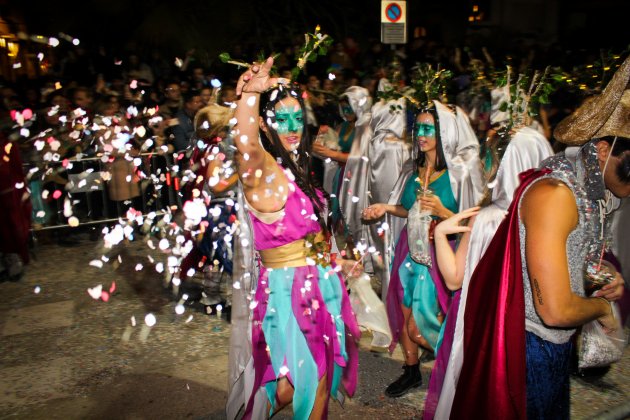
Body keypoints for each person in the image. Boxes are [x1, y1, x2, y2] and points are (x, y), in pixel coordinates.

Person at [449, 55, 629, 419]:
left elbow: (569, 257)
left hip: (550, 349)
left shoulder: (580, 190)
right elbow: (556, 310)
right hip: (531, 351)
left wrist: (602, 277)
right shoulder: (556, 195)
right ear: (603, 150)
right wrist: (603, 308)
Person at [226, 57, 360, 419]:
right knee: (314, 378)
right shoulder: (264, 172)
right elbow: (246, 144)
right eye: (281, 120)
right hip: (289, 297)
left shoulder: (295, 168)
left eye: (297, 118)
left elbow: (306, 237)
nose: (292, 128)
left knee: (287, 386)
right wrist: (251, 95)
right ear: (265, 126)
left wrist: (336, 262)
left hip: (316, 285)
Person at [430, 124, 554, 419]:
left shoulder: (486, 219)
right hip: (539, 339)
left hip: (488, 330)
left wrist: (439, 234)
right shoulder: (549, 218)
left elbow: (454, 278)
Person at [362, 100, 483, 398]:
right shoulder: (414, 168)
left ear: (445, 133)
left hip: (439, 256)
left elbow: (474, 220)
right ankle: (412, 369)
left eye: (429, 128)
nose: (421, 134)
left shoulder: (460, 174)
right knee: (404, 317)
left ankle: (466, 366)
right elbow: (409, 209)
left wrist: (442, 210)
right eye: (419, 127)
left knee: (421, 327)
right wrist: (384, 207)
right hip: (409, 252)